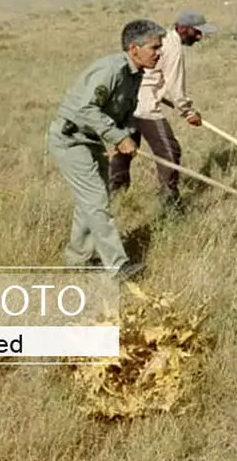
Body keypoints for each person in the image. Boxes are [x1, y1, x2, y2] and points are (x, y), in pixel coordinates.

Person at [47, 19, 165, 280]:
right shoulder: (110, 70)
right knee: (97, 201)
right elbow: (86, 109)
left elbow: (123, 112)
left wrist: (124, 136)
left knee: (90, 202)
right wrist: (118, 137)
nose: (158, 53)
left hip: (91, 141)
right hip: (71, 140)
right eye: (154, 48)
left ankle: (78, 260)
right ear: (134, 48)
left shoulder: (135, 75)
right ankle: (117, 266)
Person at [109, 11, 217, 213]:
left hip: (127, 101)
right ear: (184, 29)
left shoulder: (157, 40)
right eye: (196, 33)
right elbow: (176, 87)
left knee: (124, 148)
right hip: (144, 106)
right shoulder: (173, 47)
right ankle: (170, 204)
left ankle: (114, 195)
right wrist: (188, 112)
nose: (200, 37)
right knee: (169, 151)